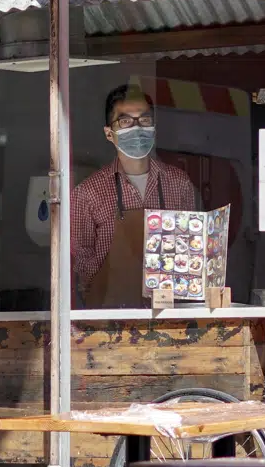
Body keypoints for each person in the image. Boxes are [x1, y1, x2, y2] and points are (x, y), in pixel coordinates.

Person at [71, 84, 199, 306]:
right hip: (112, 314)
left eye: (144, 120)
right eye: (125, 121)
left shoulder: (179, 184)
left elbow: (192, 251)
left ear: (154, 129)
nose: (137, 128)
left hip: (169, 313)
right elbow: (80, 266)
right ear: (109, 133)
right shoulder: (88, 193)